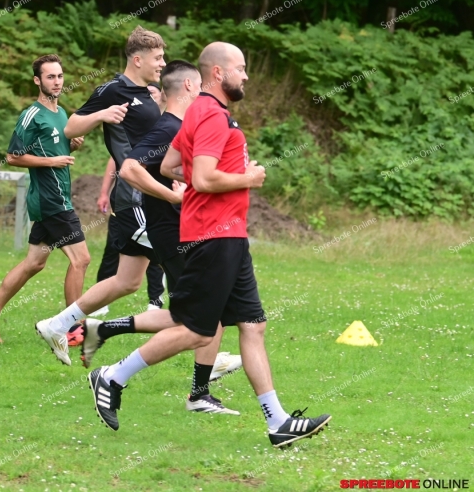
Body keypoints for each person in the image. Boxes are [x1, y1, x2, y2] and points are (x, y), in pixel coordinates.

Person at [85, 43, 331, 447]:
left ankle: (278, 421)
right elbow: (202, 177)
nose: (246, 75)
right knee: (197, 331)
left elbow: (170, 167)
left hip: (229, 234)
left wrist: (209, 180)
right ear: (218, 72)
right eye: (241, 68)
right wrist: (247, 178)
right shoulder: (213, 116)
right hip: (214, 235)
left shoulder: (199, 112)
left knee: (253, 325)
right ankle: (112, 376)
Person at [34, 26, 167, 366]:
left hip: (151, 195)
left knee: (127, 281)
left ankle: (57, 324)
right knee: (186, 259)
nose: (163, 63)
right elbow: (71, 127)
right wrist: (102, 115)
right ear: (137, 59)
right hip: (135, 197)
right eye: (157, 58)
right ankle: (206, 353)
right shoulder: (112, 89)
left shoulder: (148, 94)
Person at [0, 54, 89, 343]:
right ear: (37, 80)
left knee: (34, 263)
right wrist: (51, 162)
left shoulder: (62, 113)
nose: (57, 82)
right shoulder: (31, 115)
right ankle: (71, 328)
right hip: (51, 199)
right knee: (81, 259)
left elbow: (56, 150)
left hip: (56, 196)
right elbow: (13, 156)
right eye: (50, 77)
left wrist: (72, 145)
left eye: (60, 76)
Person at [88, 157, 166, 318]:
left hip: (150, 205)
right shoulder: (122, 143)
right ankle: (99, 303)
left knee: (154, 252)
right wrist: (104, 193)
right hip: (123, 206)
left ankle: (155, 302)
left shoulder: (160, 144)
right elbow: (114, 160)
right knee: (112, 253)